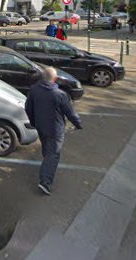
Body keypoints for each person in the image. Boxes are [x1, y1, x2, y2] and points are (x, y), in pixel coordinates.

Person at [25, 67, 82, 195]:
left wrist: (34, 122)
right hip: (56, 129)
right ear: (55, 79)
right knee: (53, 154)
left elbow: (28, 108)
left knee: (47, 148)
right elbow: (70, 113)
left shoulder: (34, 90)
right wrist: (78, 124)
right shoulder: (60, 95)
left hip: (41, 127)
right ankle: (45, 182)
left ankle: (47, 166)